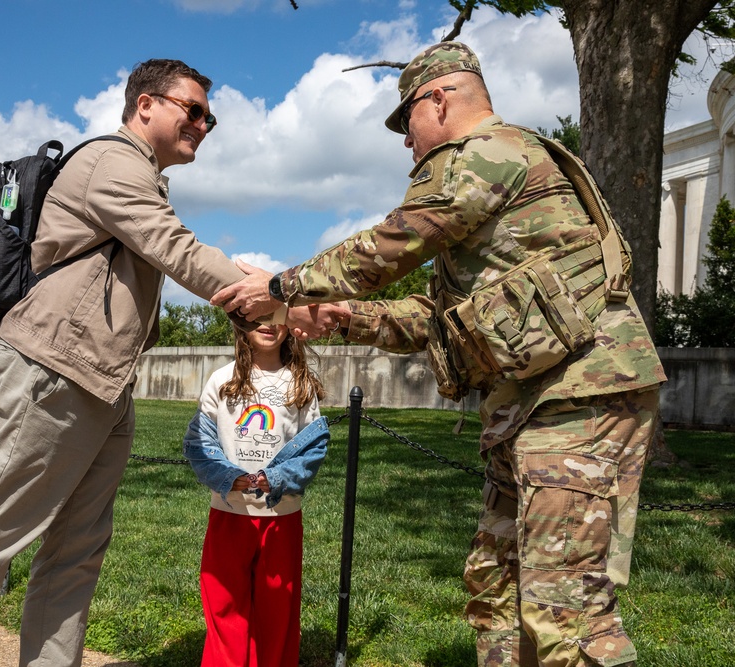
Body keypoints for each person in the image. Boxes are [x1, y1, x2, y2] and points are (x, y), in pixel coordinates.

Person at [212, 42, 667, 667]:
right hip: (535, 402)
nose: (406, 142)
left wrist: (280, 285)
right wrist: (335, 317)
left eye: (407, 123)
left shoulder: (480, 155)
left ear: (439, 99)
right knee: (497, 585)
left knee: (569, 611)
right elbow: (438, 321)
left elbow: (397, 242)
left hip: (576, 397)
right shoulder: (500, 180)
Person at [0, 58, 332, 667]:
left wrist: (275, 306)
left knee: (76, 550)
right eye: (195, 109)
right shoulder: (113, 162)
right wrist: (284, 299)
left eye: (212, 116)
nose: (205, 124)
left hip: (101, 382)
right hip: (54, 371)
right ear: (146, 104)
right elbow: (177, 251)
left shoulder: (147, 177)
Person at [183, 321, 328, 667]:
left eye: (276, 313)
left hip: (281, 521)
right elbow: (199, 442)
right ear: (241, 325)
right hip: (228, 516)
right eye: (257, 315)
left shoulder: (300, 383)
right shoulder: (221, 379)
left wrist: (277, 477)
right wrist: (226, 476)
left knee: (277, 616)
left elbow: (314, 447)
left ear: (290, 324)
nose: (267, 323)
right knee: (224, 607)